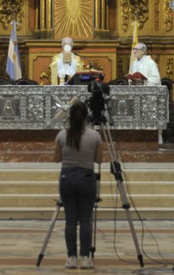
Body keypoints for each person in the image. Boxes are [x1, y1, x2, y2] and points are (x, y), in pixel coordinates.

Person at [55, 101, 104, 269]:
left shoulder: (62, 135)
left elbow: (56, 159)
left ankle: (71, 257)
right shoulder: (94, 136)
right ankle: (84, 257)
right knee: (85, 220)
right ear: (86, 117)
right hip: (87, 177)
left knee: (70, 220)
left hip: (67, 176)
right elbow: (99, 160)